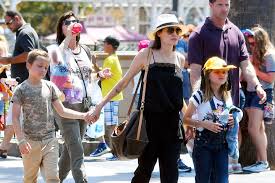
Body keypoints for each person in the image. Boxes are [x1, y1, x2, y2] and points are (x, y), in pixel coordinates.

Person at [88, 13, 188, 183]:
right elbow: (122, 83)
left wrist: (189, 121)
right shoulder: (146, 55)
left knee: (171, 174)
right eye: (170, 30)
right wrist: (99, 106)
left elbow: (178, 96)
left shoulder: (180, 58)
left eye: (178, 30)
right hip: (148, 124)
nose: (175, 34)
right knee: (144, 171)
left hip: (172, 125)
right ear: (159, 33)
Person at [188, 0, 267, 173]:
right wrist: (196, 101)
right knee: (206, 164)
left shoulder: (237, 32)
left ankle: (229, 167)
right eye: (220, 5)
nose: (224, 9)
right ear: (211, 4)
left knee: (232, 135)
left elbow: (246, 65)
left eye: (227, 4)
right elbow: (194, 71)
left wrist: (257, 86)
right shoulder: (198, 34)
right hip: (206, 104)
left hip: (231, 100)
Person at [12, 49, 89, 183]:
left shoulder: (50, 86)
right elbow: (15, 117)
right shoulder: (21, 90)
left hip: (50, 140)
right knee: (30, 179)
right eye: (39, 66)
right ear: (28, 65)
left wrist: (84, 115)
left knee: (53, 177)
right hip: (30, 142)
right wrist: (21, 141)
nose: (43, 70)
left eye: (46, 67)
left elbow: (62, 111)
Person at [51, 11, 104, 183]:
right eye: (67, 22)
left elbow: (85, 78)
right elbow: (57, 60)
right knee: (77, 149)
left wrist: (100, 75)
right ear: (61, 28)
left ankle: (55, 180)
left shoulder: (86, 51)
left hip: (84, 105)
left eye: (75, 21)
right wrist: (69, 37)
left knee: (70, 149)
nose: (72, 24)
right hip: (64, 106)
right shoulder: (56, 50)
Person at [184, 56, 237, 183]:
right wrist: (203, 124)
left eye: (224, 72)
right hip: (203, 143)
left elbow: (228, 116)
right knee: (203, 179)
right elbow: (185, 118)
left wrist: (232, 121)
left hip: (222, 144)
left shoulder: (227, 95)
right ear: (208, 75)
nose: (222, 74)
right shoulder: (199, 95)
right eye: (217, 71)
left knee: (222, 180)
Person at [0, 10, 41, 159]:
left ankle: (7, 147)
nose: (8, 26)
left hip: (25, 84)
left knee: (15, 117)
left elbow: (29, 55)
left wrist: (8, 60)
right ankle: (4, 147)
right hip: (24, 82)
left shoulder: (25, 33)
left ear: (17, 18)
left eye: (9, 22)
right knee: (14, 116)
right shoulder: (26, 31)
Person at [242, 26, 275, 173]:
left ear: (260, 41)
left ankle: (263, 161)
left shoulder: (269, 55)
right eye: (249, 43)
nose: (251, 46)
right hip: (250, 92)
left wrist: (254, 70)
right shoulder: (254, 55)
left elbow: (271, 78)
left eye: (253, 43)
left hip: (263, 92)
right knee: (259, 129)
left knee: (253, 128)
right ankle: (260, 161)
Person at [89, 36, 123, 161]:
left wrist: (93, 65)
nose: (103, 46)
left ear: (109, 45)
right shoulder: (113, 58)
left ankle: (115, 152)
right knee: (111, 125)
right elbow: (104, 74)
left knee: (111, 126)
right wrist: (95, 65)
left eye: (104, 43)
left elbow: (102, 77)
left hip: (110, 97)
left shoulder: (110, 59)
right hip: (113, 97)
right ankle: (112, 150)